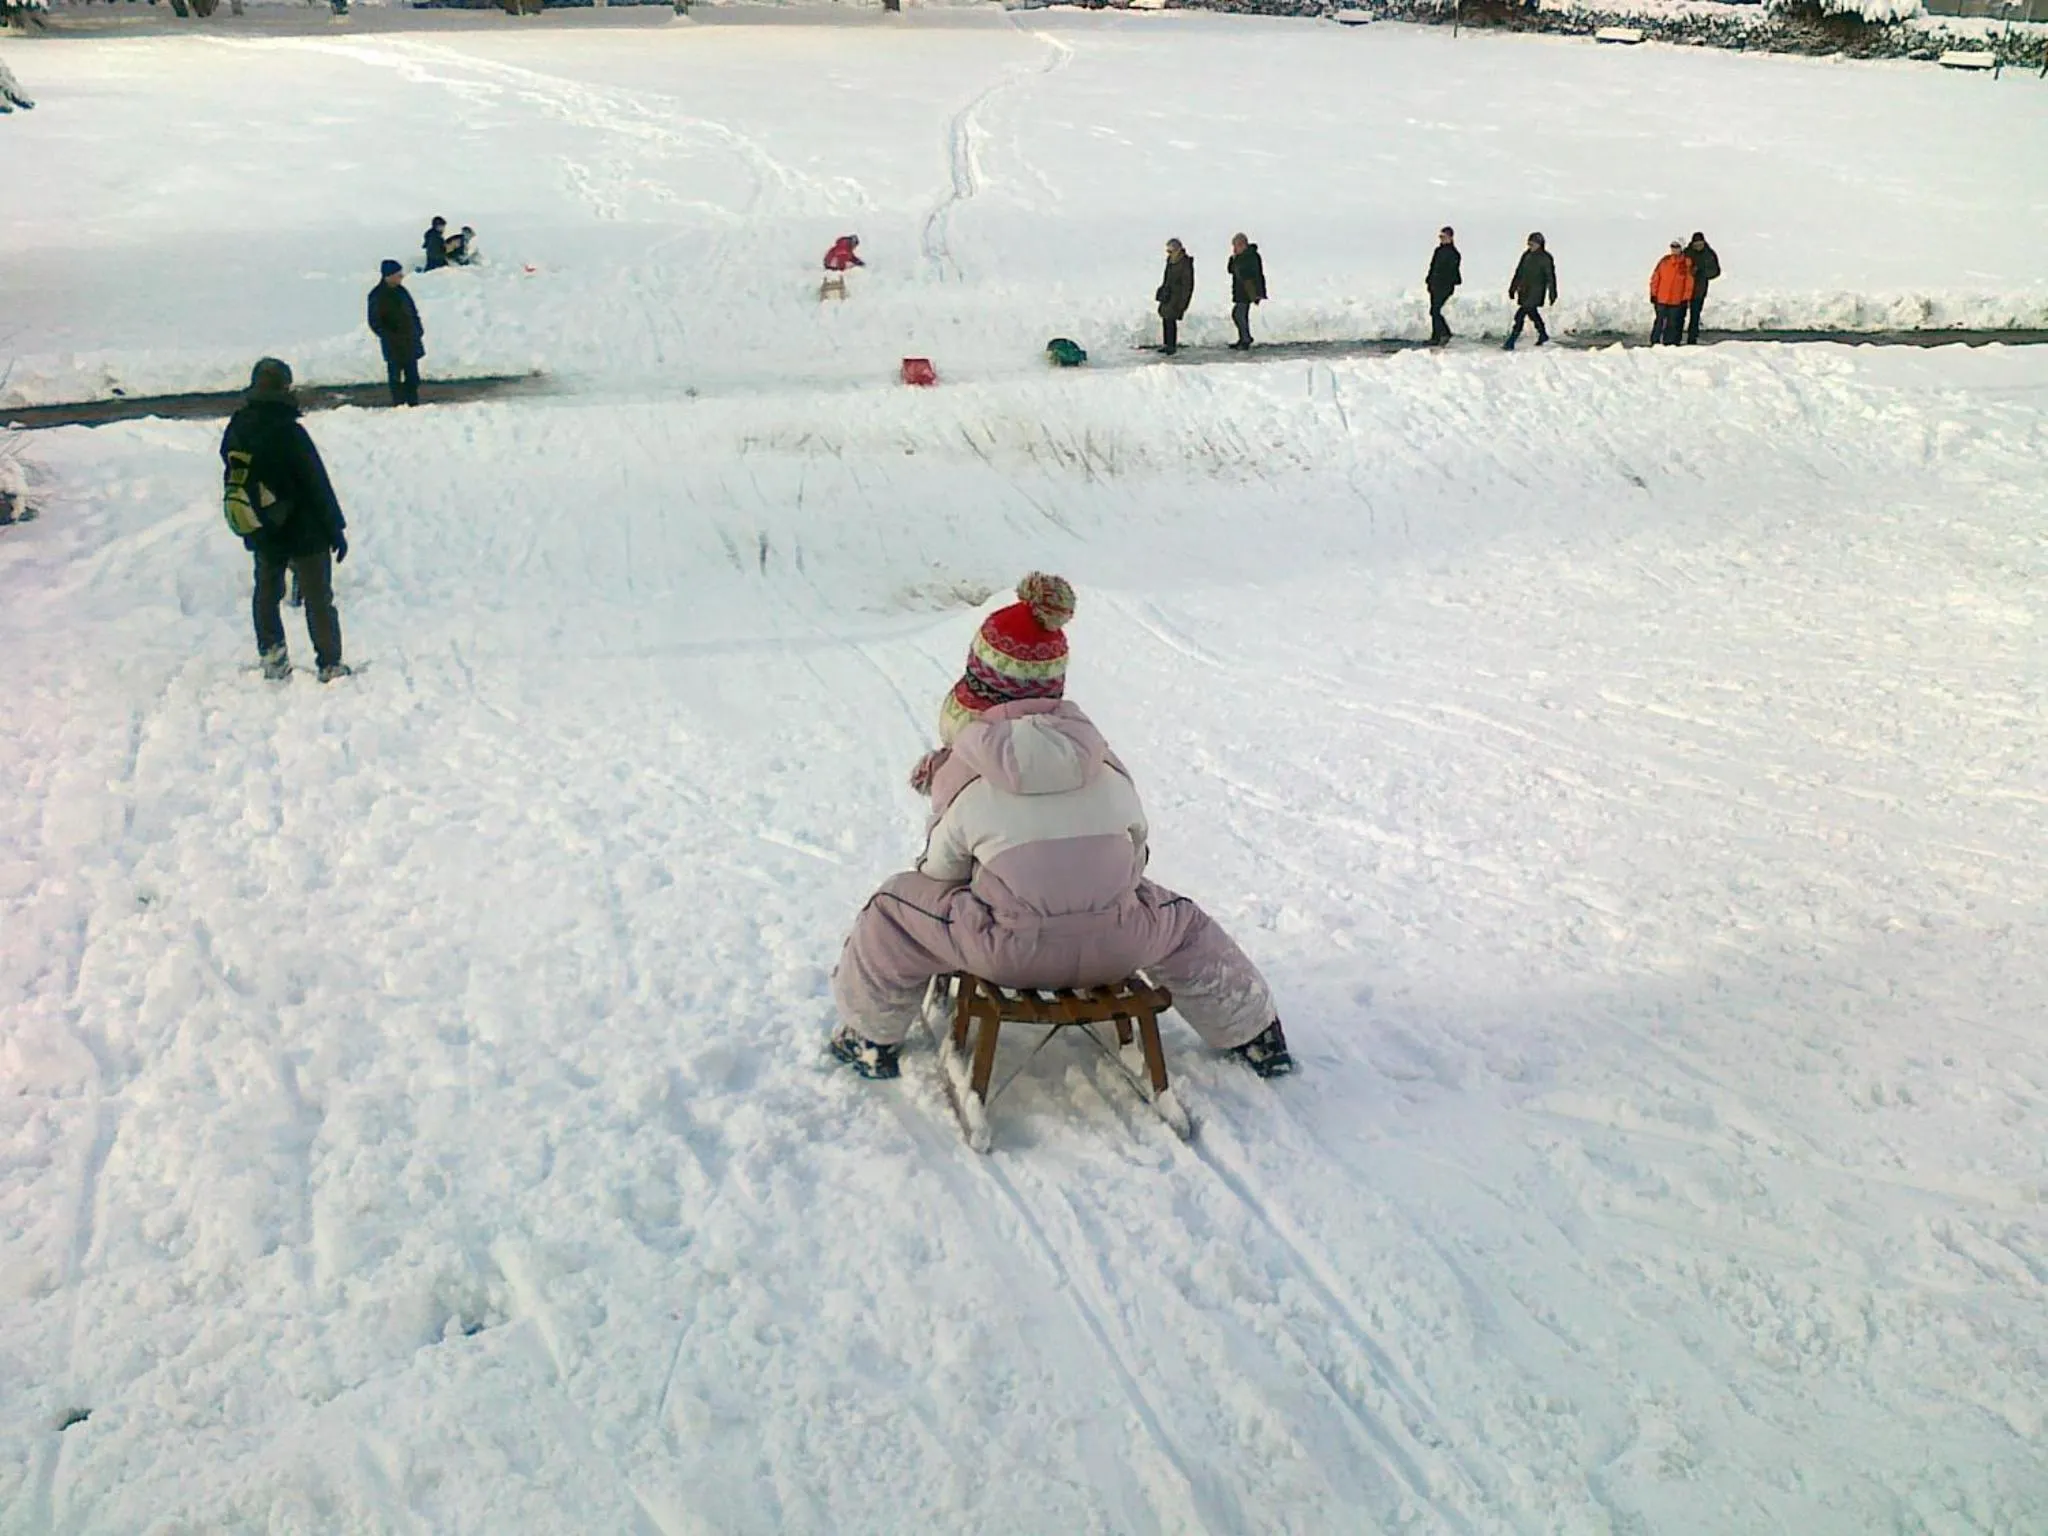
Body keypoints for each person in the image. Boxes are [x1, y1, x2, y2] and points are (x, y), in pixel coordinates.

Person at [829, 574, 1294, 1082]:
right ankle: (1255, 1035)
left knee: (893, 910)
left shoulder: (964, 769)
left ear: (977, 687)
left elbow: (942, 872)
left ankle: (868, 1039)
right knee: (1184, 922)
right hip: (1120, 944)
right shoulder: (1103, 761)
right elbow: (1137, 855)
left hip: (1007, 952)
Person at [220, 359, 350, 683]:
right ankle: (329, 664)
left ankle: (273, 657)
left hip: (263, 527)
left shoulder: (238, 427)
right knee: (318, 599)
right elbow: (315, 483)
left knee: (266, 592)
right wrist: (336, 529)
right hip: (305, 531)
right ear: (283, 389)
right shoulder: (290, 432)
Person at [366, 259, 424, 407]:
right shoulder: (377, 295)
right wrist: (389, 336)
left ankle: (413, 402)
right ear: (388, 276)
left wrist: (418, 330)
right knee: (395, 376)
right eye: (398, 274)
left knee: (413, 376)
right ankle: (399, 404)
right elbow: (375, 322)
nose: (401, 277)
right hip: (393, 344)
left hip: (409, 340)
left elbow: (412, 312)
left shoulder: (402, 291)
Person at [1503, 232, 1557, 351]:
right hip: (1525, 290)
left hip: (1536, 291)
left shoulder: (1545, 258)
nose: (1530, 246)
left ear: (1540, 244)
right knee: (1532, 313)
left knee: (1520, 314)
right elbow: (1519, 272)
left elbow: (1550, 276)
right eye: (1529, 244)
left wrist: (1552, 293)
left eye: (1533, 244)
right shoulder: (1526, 255)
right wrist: (1513, 288)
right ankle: (1543, 334)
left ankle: (1511, 340)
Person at [1649, 240, 1695, 347]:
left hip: (1676, 300)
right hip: (1662, 298)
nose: (1674, 249)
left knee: (1672, 324)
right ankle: (1654, 343)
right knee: (1659, 322)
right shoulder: (1664, 261)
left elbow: (1689, 283)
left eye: (1677, 247)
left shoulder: (1687, 263)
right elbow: (1656, 278)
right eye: (1672, 246)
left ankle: (1669, 344)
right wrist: (1653, 294)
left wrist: (1685, 298)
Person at [1226, 232, 1266, 351]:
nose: (1234, 249)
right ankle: (1244, 337)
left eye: (1236, 246)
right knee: (1238, 314)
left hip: (1248, 290)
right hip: (1240, 290)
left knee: (1239, 314)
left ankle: (1245, 339)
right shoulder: (1239, 257)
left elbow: (1249, 273)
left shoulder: (1251, 256)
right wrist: (1233, 259)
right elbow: (1231, 270)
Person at [1156, 238, 1194, 355]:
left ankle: (1171, 345)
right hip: (1168, 295)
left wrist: (1183, 303)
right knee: (1165, 318)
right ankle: (1167, 343)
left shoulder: (1184, 263)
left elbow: (1188, 285)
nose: (1169, 253)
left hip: (1177, 297)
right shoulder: (1170, 261)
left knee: (1171, 319)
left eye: (1170, 251)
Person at [1426, 227, 1461, 347]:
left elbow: (1450, 271)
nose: (1441, 239)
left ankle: (1445, 333)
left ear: (1450, 237)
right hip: (1435, 285)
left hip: (1444, 286)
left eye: (1443, 237)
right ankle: (1436, 336)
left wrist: (1443, 282)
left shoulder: (1454, 254)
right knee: (1434, 311)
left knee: (1435, 311)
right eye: (1440, 237)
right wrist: (1429, 280)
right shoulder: (1438, 251)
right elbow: (1433, 267)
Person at [1684, 231, 1720, 345]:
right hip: (1684, 290)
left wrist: (1703, 273)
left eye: (1700, 244)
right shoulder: (1687, 253)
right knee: (1679, 315)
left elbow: (1716, 271)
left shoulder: (1709, 254)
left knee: (1695, 316)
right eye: (1696, 244)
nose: (1698, 246)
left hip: (1699, 291)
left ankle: (1692, 339)